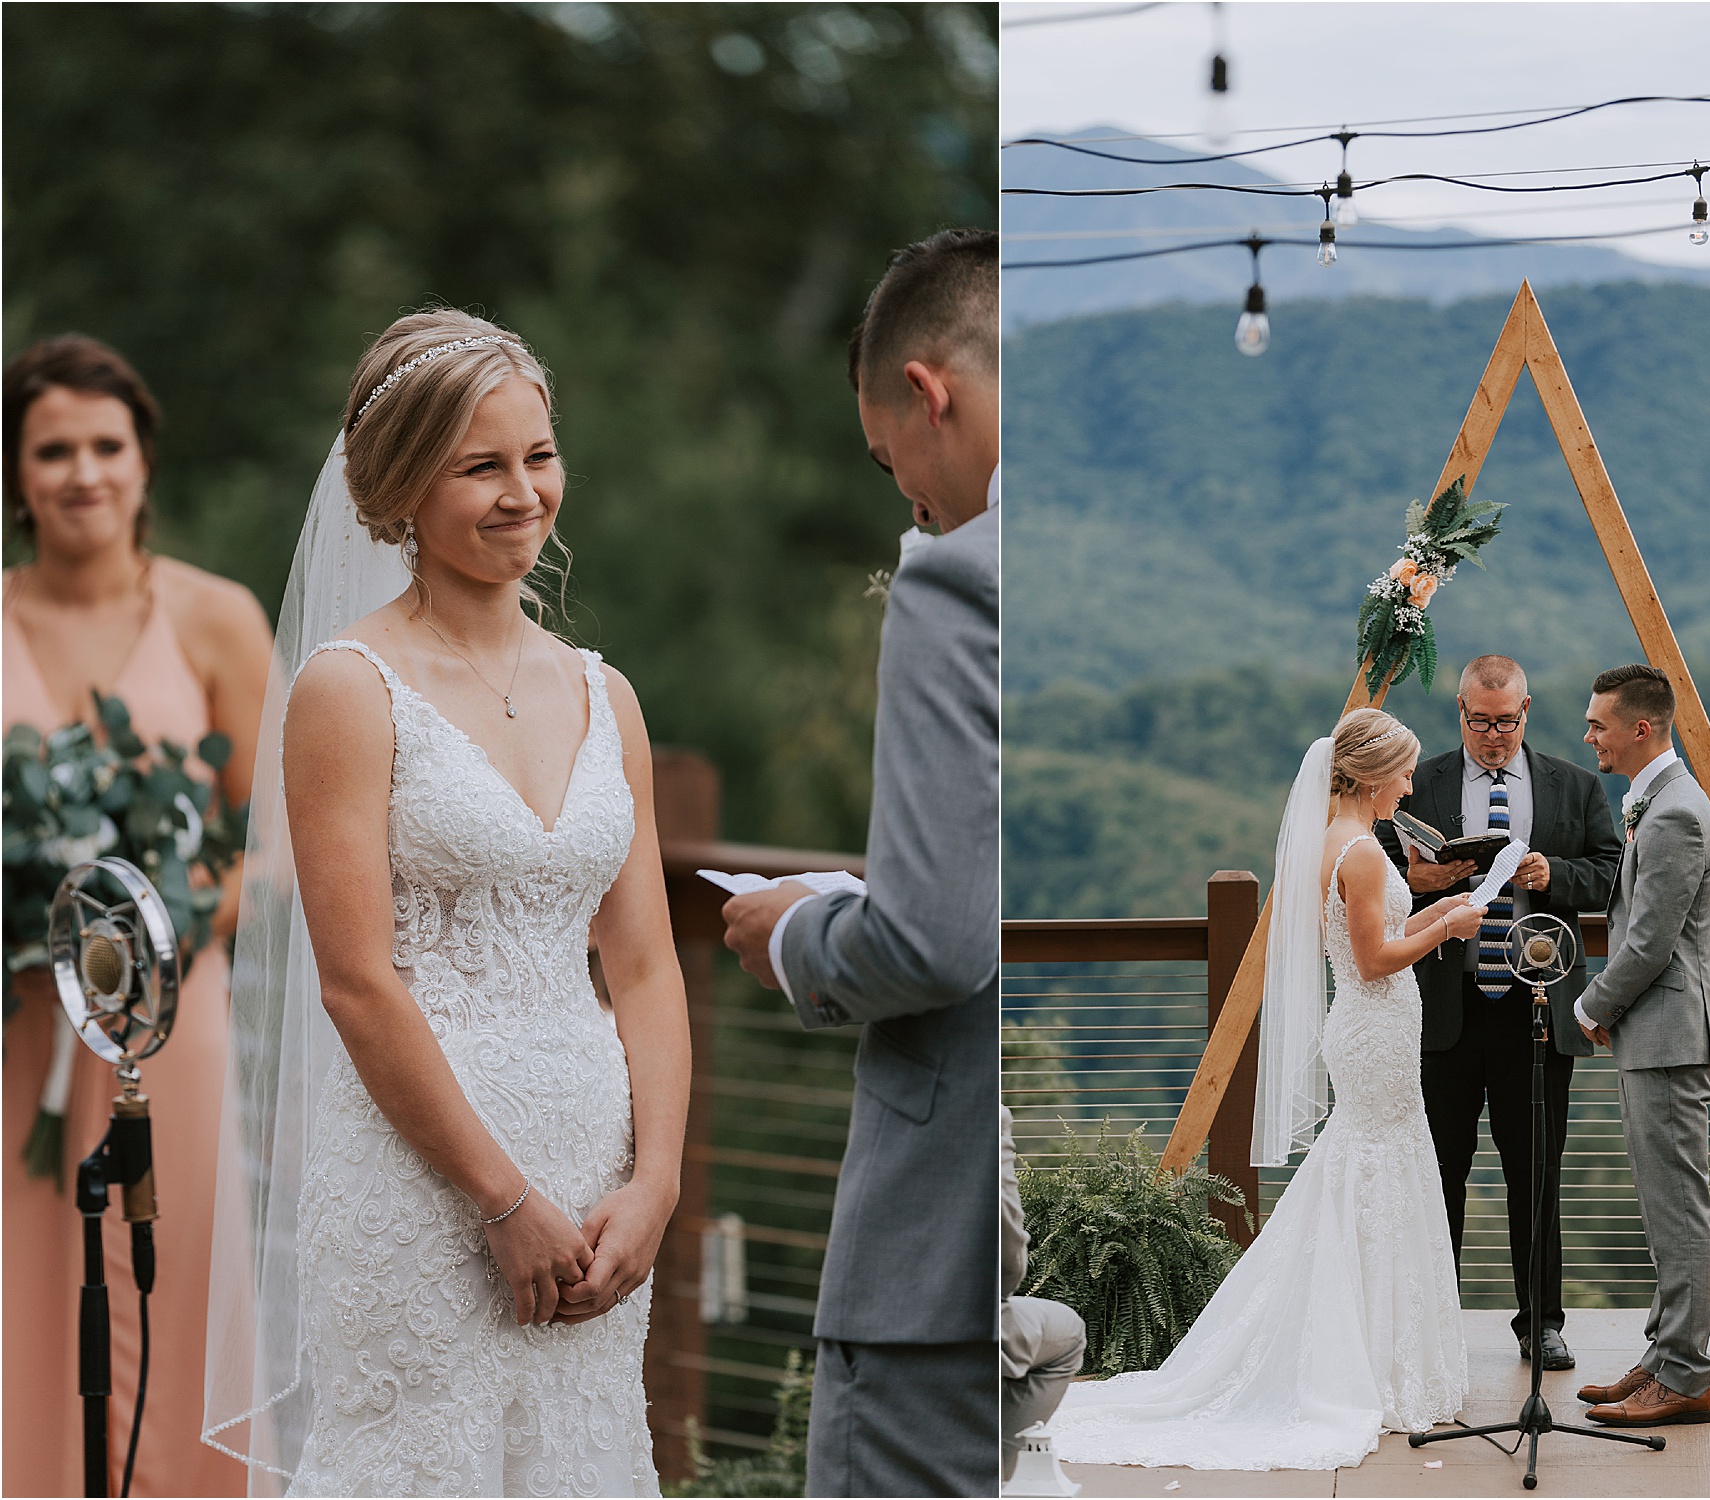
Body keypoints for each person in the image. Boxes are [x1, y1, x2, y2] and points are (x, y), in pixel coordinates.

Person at [202, 310, 691, 1495]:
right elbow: (357, 982)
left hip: (597, 1185)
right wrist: (502, 1195)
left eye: (539, 456)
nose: (524, 493)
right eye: (482, 466)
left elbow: (644, 966)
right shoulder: (347, 690)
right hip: (424, 1194)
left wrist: (658, 1182)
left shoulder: (603, 694)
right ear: (400, 489)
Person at [719, 228, 999, 1498]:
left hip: (941, 1256)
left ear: (925, 394)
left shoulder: (955, 582)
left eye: (894, 466)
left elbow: (934, 941)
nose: (911, 506)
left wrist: (791, 932)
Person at [1049, 710, 1486, 1471]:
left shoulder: (1343, 844)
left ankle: (1379, 1353)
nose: (1413, 785)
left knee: (1371, 1171)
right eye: (1407, 771)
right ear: (1376, 772)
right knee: (1375, 1170)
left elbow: (1378, 940)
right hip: (1373, 1031)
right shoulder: (1355, 853)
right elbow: (1377, 960)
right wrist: (1445, 932)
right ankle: (1373, 1366)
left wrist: (1440, 908)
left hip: (1375, 1032)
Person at [2, 334, 271, 1498]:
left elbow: (284, 848)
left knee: (178, 1285)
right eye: (51, 450)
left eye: (104, 446)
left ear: (144, 463)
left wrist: (164, 935)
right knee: (20, 1294)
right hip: (18, 1030)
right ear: (17, 475)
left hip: (173, 1024)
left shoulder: (216, 619)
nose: (81, 473)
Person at [1378, 654, 1621, 1372]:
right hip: (1444, 1009)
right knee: (1438, 1173)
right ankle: (1432, 1327)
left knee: (1536, 1172)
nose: (1492, 735)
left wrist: (1553, 873)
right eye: (1479, 721)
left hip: (1536, 1007)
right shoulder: (1419, 783)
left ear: (1527, 710)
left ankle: (1540, 1323)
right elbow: (1379, 868)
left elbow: (1611, 872)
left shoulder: (1573, 787)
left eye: (1505, 721)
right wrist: (1429, 876)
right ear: (1459, 712)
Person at [1572, 663, 1710, 1427]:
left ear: (1642, 728)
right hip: (1656, 1032)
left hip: (1668, 1034)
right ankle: (1662, 1359)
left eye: (1599, 723)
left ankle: (1687, 1378)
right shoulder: (1658, 799)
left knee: (1678, 1210)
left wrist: (1590, 1004)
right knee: (1663, 1206)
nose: (1588, 735)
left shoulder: (1672, 815)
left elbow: (1650, 943)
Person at [1000, 1107, 1086, 1483]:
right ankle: (991, 1465)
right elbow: (1005, 1257)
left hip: (864, 1317)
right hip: (960, 1319)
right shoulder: (984, 1113)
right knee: (1067, 1331)